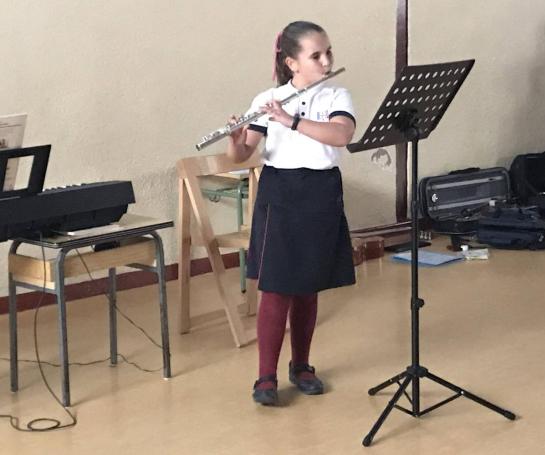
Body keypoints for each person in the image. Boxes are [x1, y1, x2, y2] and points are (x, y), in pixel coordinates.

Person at [226, 20, 356, 406]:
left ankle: (301, 366)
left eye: (328, 52)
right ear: (292, 63)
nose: (326, 61)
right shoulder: (269, 98)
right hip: (280, 193)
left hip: (320, 192)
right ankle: (265, 377)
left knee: (307, 285)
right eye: (316, 55)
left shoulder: (336, 95)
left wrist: (291, 120)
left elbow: (341, 135)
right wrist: (235, 139)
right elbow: (241, 155)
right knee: (276, 286)